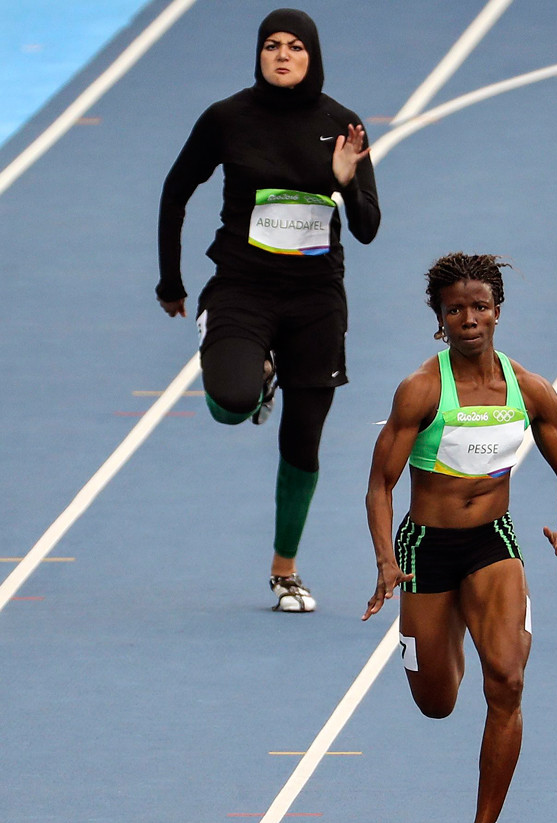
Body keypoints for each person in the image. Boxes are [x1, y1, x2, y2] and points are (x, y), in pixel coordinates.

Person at [363, 253, 557, 823]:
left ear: (497, 312)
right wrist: (386, 561)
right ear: (439, 318)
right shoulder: (421, 391)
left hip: (493, 543)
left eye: (479, 307)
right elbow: (381, 485)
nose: (469, 318)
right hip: (425, 549)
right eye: (455, 309)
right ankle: (446, 630)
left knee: (508, 680)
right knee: (436, 702)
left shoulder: (530, 390)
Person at [156, 8, 380, 612]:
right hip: (242, 288)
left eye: (295, 47)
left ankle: (285, 569)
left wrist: (345, 181)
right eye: (271, 46)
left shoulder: (343, 125)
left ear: (313, 56)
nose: (282, 55)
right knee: (229, 407)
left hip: (315, 299)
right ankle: (254, 379)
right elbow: (176, 190)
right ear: (258, 54)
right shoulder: (227, 118)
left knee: (303, 437)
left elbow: (367, 230)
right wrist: (170, 280)